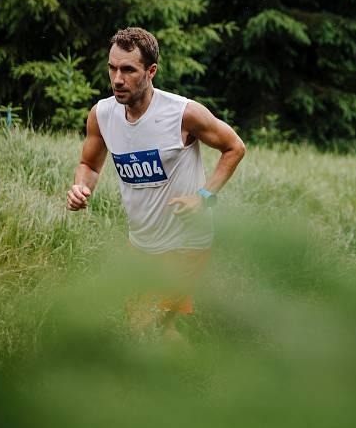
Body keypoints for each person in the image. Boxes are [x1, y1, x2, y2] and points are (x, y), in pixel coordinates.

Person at [67, 27, 246, 340]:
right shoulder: (102, 115)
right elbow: (89, 165)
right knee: (148, 326)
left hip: (186, 242)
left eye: (128, 70)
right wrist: (82, 187)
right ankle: (191, 378)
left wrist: (204, 196)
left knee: (146, 327)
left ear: (150, 71)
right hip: (141, 242)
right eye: (112, 68)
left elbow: (235, 147)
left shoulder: (183, 114)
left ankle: (194, 382)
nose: (117, 79)